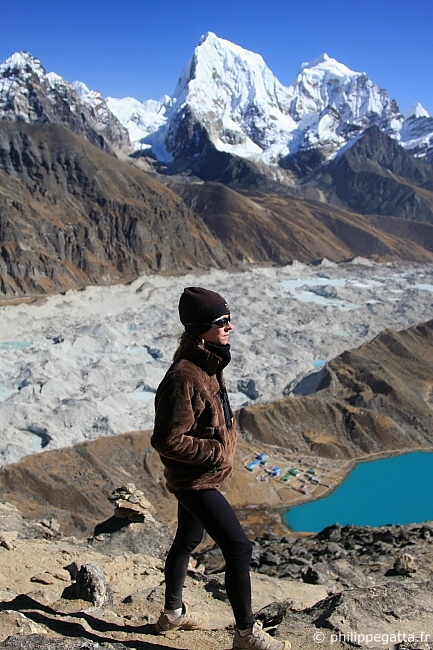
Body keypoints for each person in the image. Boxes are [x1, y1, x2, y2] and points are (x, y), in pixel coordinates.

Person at [150, 287, 291, 650]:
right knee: (239, 547)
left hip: (200, 475)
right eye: (221, 321)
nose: (230, 326)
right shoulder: (185, 376)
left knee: (187, 540)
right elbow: (167, 440)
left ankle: (172, 614)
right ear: (200, 328)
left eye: (228, 318)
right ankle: (246, 635)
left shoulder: (208, 362)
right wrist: (214, 453)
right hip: (194, 479)